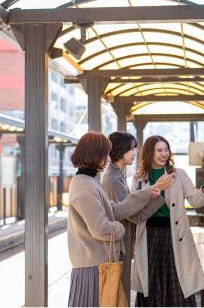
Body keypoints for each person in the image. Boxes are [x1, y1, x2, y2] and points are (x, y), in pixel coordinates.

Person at [67, 132, 174, 307]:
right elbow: (100, 228)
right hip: (93, 266)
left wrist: (151, 191)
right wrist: (121, 229)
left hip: (97, 263)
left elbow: (115, 208)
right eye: (105, 153)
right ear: (94, 154)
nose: (108, 158)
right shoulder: (85, 186)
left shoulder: (89, 181)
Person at [131, 135, 204, 307]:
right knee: (151, 282)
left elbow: (195, 200)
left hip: (174, 236)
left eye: (166, 150)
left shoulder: (178, 175)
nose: (164, 154)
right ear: (150, 153)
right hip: (149, 238)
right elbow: (134, 208)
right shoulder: (139, 179)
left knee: (178, 281)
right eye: (159, 150)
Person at [101, 131, 163, 301]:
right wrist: (155, 194)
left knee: (122, 291)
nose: (135, 153)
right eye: (132, 149)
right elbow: (130, 214)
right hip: (119, 244)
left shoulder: (117, 175)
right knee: (120, 292)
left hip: (123, 241)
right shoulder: (112, 179)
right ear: (120, 150)